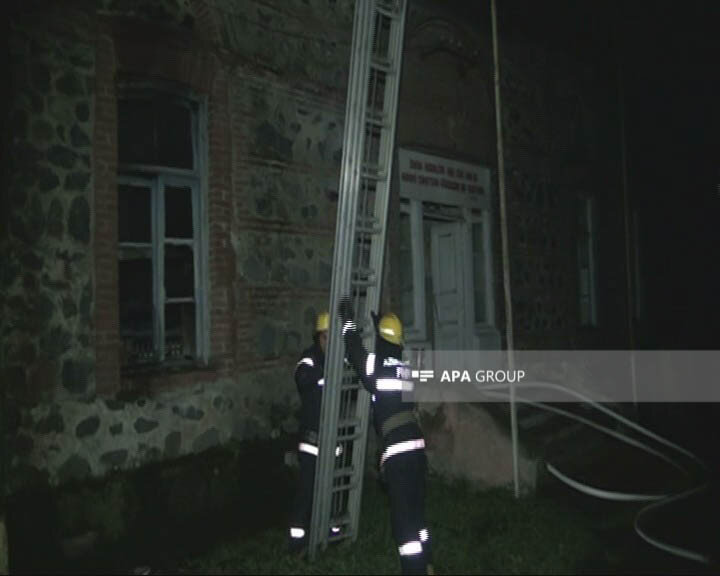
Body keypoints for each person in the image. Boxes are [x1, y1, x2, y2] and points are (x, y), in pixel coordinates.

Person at [338, 297, 433, 575]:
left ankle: (414, 571)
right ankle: (428, 565)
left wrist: (348, 321)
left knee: (404, 525)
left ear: (380, 339)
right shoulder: (407, 367)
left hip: (398, 453)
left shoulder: (375, 365)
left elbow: (354, 349)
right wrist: (382, 328)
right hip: (417, 449)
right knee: (417, 514)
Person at [287, 311, 343, 554]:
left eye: (333, 337)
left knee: (334, 487)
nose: (329, 342)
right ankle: (298, 540)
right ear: (319, 337)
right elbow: (302, 377)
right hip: (312, 437)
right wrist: (325, 371)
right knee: (307, 490)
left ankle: (334, 533)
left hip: (334, 437)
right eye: (326, 337)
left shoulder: (340, 359)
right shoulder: (309, 359)